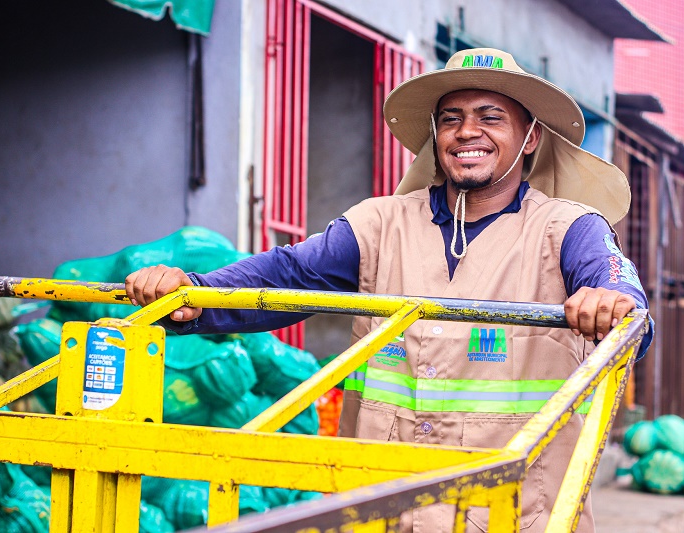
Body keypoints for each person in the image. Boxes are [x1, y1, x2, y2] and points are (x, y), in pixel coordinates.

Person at [126, 48, 652, 532]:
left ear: (530, 138)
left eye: (490, 117)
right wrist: (195, 291)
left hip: (515, 513)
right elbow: (288, 274)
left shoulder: (567, 227)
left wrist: (612, 299)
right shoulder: (381, 223)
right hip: (383, 509)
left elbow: (620, 289)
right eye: (451, 119)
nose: (467, 132)